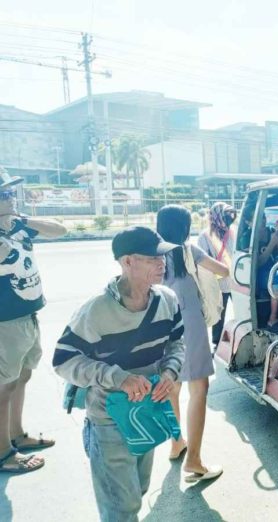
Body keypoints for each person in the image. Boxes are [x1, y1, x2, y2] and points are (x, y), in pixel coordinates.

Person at [53, 226, 184, 521]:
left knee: (137, 491)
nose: (162, 263)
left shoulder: (167, 300)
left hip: (147, 411)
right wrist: (118, 378)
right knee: (120, 509)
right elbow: (63, 361)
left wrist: (170, 372)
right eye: (152, 258)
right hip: (109, 421)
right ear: (127, 262)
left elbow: (177, 342)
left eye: (163, 257)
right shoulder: (95, 312)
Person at [0, 169, 67, 474]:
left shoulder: (18, 226)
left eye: (11, 192)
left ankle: (16, 434)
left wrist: (21, 221)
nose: (11, 198)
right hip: (5, 322)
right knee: (3, 386)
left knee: (23, 376)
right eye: (4, 194)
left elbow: (59, 230)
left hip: (27, 316)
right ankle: (3, 453)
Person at [156, 205, 229, 482]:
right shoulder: (188, 251)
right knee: (199, 387)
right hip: (189, 323)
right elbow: (223, 271)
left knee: (172, 384)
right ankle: (194, 460)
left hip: (161, 325)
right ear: (185, 228)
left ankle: (177, 442)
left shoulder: (153, 254)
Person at [197, 202, 236, 345]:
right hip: (217, 282)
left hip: (235, 280)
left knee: (242, 312)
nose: (230, 219)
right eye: (226, 215)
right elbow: (203, 261)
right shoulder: (205, 236)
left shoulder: (233, 232)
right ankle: (217, 342)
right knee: (218, 314)